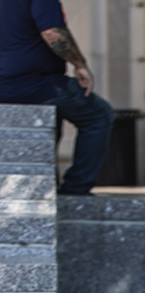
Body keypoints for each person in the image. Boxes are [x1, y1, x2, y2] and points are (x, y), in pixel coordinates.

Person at [0, 0, 114, 195]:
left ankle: (47, 186)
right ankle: (76, 188)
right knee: (98, 114)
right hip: (36, 83)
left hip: (12, 84)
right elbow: (52, 32)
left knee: (51, 124)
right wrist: (80, 64)